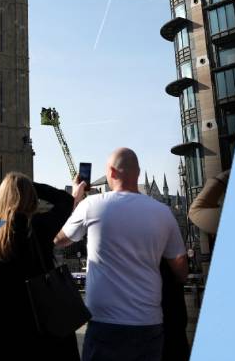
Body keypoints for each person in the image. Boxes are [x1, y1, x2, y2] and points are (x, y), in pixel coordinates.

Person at [56, 148, 188, 361]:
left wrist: (74, 199)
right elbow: (181, 270)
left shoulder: (91, 205)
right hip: (149, 324)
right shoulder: (164, 213)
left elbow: (58, 240)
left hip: (104, 325)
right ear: (138, 173)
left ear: (111, 172)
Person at [0, 173, 83, 361]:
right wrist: (29, 186)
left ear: (1, 199)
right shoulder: (39, 229)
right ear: (31, 200)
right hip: (41, 342)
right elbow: (65, 200)